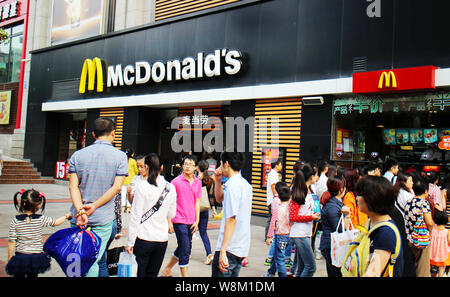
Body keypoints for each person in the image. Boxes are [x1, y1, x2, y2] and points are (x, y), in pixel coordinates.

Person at [68, 117, 128, 277]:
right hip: (103, 219)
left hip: (78, 218)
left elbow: (73, 186)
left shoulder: (77, 155)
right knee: (93, 260)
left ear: (93, 134)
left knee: (77, 259)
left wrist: (81, 211)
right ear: (113, 134)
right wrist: (94, 206)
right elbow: (116, 187)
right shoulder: (121, 157)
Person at [126, 153, 177, 277]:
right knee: (153, 273)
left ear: (147, 167)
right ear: (161, 167)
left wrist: (130, 242)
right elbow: (172, 213)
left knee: (140, 273)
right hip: (161, 239)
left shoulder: (142, 187)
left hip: (143, 237)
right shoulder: (170, 188)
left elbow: (135, 216)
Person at [6, 189, 72, 277]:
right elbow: (56, 222)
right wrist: (66, 216)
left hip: (21, 256)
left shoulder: (15, 221)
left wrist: (10, 258)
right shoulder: (40, 219)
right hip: (36, 257)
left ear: (22, 204)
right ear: (37, 206)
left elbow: (11, 241)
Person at [211, 151, 252, 277]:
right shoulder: (245, 184)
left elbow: (231, 219)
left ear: (226, 164)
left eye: (221, 163)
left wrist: (223, 250)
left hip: (229, 247)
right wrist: (218, 181)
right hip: (240, 247)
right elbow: (219, 199)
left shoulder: (233, 186)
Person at [353, 176, 404, 277]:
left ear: (372, 198)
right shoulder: (370, 222)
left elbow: (373, 273)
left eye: (360, 194)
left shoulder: (386, 232)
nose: (357, 198)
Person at [162, 155, 201, 277]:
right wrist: (169, 221)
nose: (187, 166)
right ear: (182, 166)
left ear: (195, 167)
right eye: (185, 164)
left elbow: (197, 202)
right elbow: (168, 202)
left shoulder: (197, 182)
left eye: (190, 164)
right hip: (179, 219)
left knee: (184, 247)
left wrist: (197, 220)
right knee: (185, 250)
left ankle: (167, 269)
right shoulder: (175, 182)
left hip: (191, 220)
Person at [289, 163, 320, 277]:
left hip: (305, 233)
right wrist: (311, 217)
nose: (317, 178)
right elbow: (292, 216)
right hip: (300, 234)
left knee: (302, 267)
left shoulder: (307, 191)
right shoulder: (300, 193)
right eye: (315, 176)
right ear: (311, 177)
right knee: (311, 267)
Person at [319, 176, 350, 277]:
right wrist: (347, 215)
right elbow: (340, 229)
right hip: (331, 246)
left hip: (332, 245)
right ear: (341, 189)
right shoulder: (332, 206)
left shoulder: (334, 203)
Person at [404, 175, 434, 277]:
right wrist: (429, 232)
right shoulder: (423, 203)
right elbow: (429, 222)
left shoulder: (408, 202)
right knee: (423, 268)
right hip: (421, 239)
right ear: (426, 191)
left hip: (409, 238)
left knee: (411, 266)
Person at [263, 182, 292, 277]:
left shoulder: (278, 208)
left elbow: (273, 222)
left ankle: (282, 275)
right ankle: (271, 272)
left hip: (280, 235)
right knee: (277, 255)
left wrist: (269, 236)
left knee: (279, 258)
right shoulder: (290, 208)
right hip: (289, 235)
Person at [197, 160, 215, 265]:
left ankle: (187, 252)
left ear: (198, 168)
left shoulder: (196, 179)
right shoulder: (209, 180)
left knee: (190, 230)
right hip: (205, 208)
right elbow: (211, 196)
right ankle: (209, 254)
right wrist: (213, 208)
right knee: (203, 232)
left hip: (195, 209)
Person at [265, 158, 283, 241]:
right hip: (272, 200)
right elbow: (273, 186)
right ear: (276, 165)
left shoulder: (274, 174)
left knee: (272, 217)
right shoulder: (273, 174)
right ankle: (268, 236)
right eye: (280, 164)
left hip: (272, 199)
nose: (281, 166)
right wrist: (277, 196)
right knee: (271, 218)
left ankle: (268, 236)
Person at [430, 210, 450, 277]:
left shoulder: (432, 230)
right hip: (443, 254)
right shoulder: (447, 232)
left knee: (429, 269)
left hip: (432, 253)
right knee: (441, 270)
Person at [122, 148, 138, 213]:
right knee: (130, 193)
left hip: (123, 179)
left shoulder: (123, 160)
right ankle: (129, 207)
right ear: (132, 154)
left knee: (123, 194)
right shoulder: (133, 161)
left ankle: (123, 207)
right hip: (132, 180)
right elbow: (136, 171)